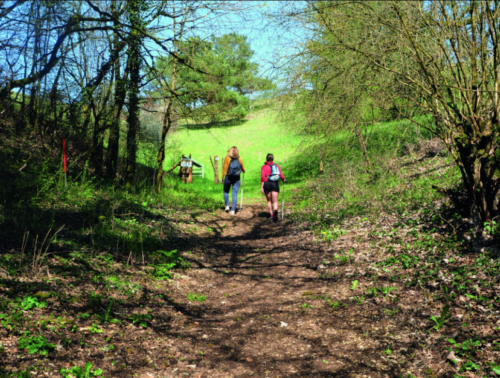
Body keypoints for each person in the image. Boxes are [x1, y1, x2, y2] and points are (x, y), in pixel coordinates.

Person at [261, 153, 286, 222]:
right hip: (275, 183)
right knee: (275, 201)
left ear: (266, 159)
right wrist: (284, 179)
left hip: (267, 183)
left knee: (269, 201)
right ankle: (276, 211)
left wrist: (262, 187)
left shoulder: (264, 167)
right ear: (273, 159)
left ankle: (271, 215)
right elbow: (281, 175)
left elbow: (263, 177)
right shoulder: (276, 166)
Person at [221, 146, 246, 215]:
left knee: (226, 191)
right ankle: (233, 210)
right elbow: (243, 169)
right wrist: (244, 170)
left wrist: (222, 178)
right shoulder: (240, 159)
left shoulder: (227, 158)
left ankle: (227, 206)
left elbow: (224, 168)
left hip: (228, 177)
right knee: (234, 193)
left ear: (230, 151)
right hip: (237, 178)